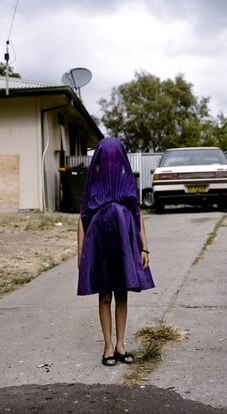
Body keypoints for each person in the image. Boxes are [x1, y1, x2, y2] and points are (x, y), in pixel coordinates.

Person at [77, 138, 155, 367]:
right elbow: (82, 217)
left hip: (124, 241)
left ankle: (121, 344)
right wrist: (80, 252)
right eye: (106, 158)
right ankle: (108, 346)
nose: (111, 163)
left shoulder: (127, 182)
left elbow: (137, 215)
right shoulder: (93, 184)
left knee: (122, 293)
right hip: (99, 244)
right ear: (100, 159)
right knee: (104, 294)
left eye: (115, 158)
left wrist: (144, 247)